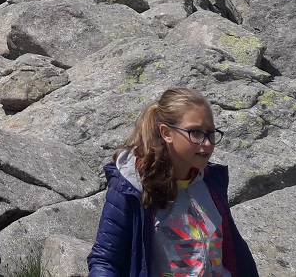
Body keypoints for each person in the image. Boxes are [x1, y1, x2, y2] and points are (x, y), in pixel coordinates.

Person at [88, 87, 258, 277]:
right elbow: (105, 260)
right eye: (195, 133)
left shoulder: (211, 182)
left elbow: (236, 253)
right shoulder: (131, 188)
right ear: (166, 133)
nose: (208, 143)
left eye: (210, 133)